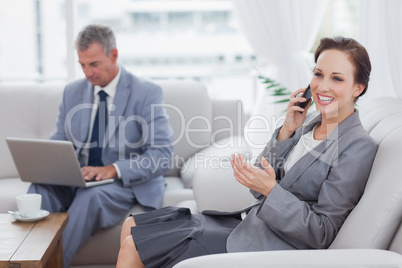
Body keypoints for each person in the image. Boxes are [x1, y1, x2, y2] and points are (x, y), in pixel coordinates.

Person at [116, 36, 377, 268]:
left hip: (270, 246)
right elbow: (256, 188)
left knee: (133, 246)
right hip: (246, 223)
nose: (322, 87)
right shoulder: (309, 123)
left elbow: (322, 232)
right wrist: (286, 131)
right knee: (132, 225)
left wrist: (271, 191)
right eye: (318, 74)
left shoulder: (357, 146)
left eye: (337, 78)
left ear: (358, 88)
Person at [28, 24, 174, 268]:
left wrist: (113, 169)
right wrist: (52, 164)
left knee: (91, 196)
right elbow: (59, 141)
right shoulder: (72, 92)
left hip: (123, 183)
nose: (87, 73)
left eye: (93, 64)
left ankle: (49, 265)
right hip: (82, 176)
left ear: (113, 55)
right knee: (40, 187)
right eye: (82, 65)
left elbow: (162, 155)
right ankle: (24, 259)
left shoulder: (147, 93)